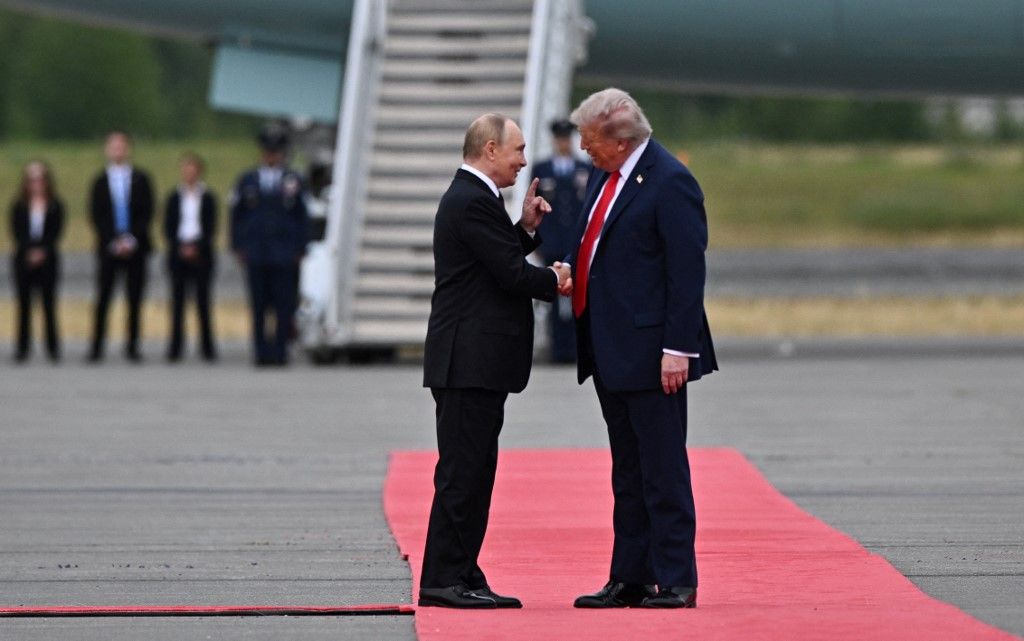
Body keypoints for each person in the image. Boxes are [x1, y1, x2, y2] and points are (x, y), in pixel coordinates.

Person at [565, 89, 718, 609]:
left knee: (662, 468)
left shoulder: (670, 180)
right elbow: (596, 245)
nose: (583, 150)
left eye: (589, 142)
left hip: (656, 353)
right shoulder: (606, 177)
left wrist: (679, 347)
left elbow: (686, 272)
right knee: (627, 470)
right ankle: (630, 574)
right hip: (610, 349)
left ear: (619, 138)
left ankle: (676, 577)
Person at [419, 113, 570, 609]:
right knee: (463, 474)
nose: (524, 161)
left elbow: (490, 263)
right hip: (468, 363)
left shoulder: (476, 199)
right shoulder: (470, 199)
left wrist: (524, 230)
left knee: (476, 472)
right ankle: (444, 578)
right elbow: (508, 275)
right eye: (518, 150)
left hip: (474, 363)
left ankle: (462, 570)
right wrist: (556, 281)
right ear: (489, 149)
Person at [230, 126, 310, 366]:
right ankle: (261, 352)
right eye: (268, 151)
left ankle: (280, 352)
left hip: (284, 253)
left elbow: (302, 216)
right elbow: (237, 215)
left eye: (276, 151)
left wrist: (301, 247)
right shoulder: (248, 180)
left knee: (284, 305)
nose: (272, 156)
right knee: (259, 305)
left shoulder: (293, 180)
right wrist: (238, 245)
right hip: (257, 251)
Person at [87, 130, 155, 363]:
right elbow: (96, 215)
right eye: (113, 146)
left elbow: (147, 212)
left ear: (128, 149)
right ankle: (97, 346)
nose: (117, 150)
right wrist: (113, 241)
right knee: (103, 297)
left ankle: (133, 346)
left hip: (136, 246)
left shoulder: (141, 178)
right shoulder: (99, 181)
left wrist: (132, 239)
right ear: (106, 149)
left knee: (134, 298)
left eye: (121, 145)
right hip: (109, 247)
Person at [530, 118, 591, 363]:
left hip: (575, 242)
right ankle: (558, 348)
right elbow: (537, 207)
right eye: (560, 139)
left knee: (579, 294)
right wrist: (540, 243)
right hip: (553, 242)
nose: (563, 143)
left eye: (566, 139)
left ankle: (577, 346)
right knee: (554, 296)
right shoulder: (542, 169)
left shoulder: (584, 167)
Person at [163, 153, 218, 362]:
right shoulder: (174, 197)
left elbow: (211, 227)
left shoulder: (208, 197)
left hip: (201, 254)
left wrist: (197, 247)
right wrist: (180, 247)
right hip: (179, 252)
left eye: (193, 169)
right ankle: (175, 347)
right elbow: (168, 227)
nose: (189, 174)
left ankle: (207, 347)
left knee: (203, 303)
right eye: (186, 169)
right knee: (177, 304)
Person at [9, 161, 64, 362]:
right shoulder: (19, 206)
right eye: (32, 179)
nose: (36, 183)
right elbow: (17, 232)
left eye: (40, 179)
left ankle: (53, 348)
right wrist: (29, 252)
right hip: (23, 260)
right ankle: (22, 348)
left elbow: (56, 232)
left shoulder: (55, 205)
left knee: (49, 305)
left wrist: (43, 252)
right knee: (24, 305)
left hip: (48, 260)